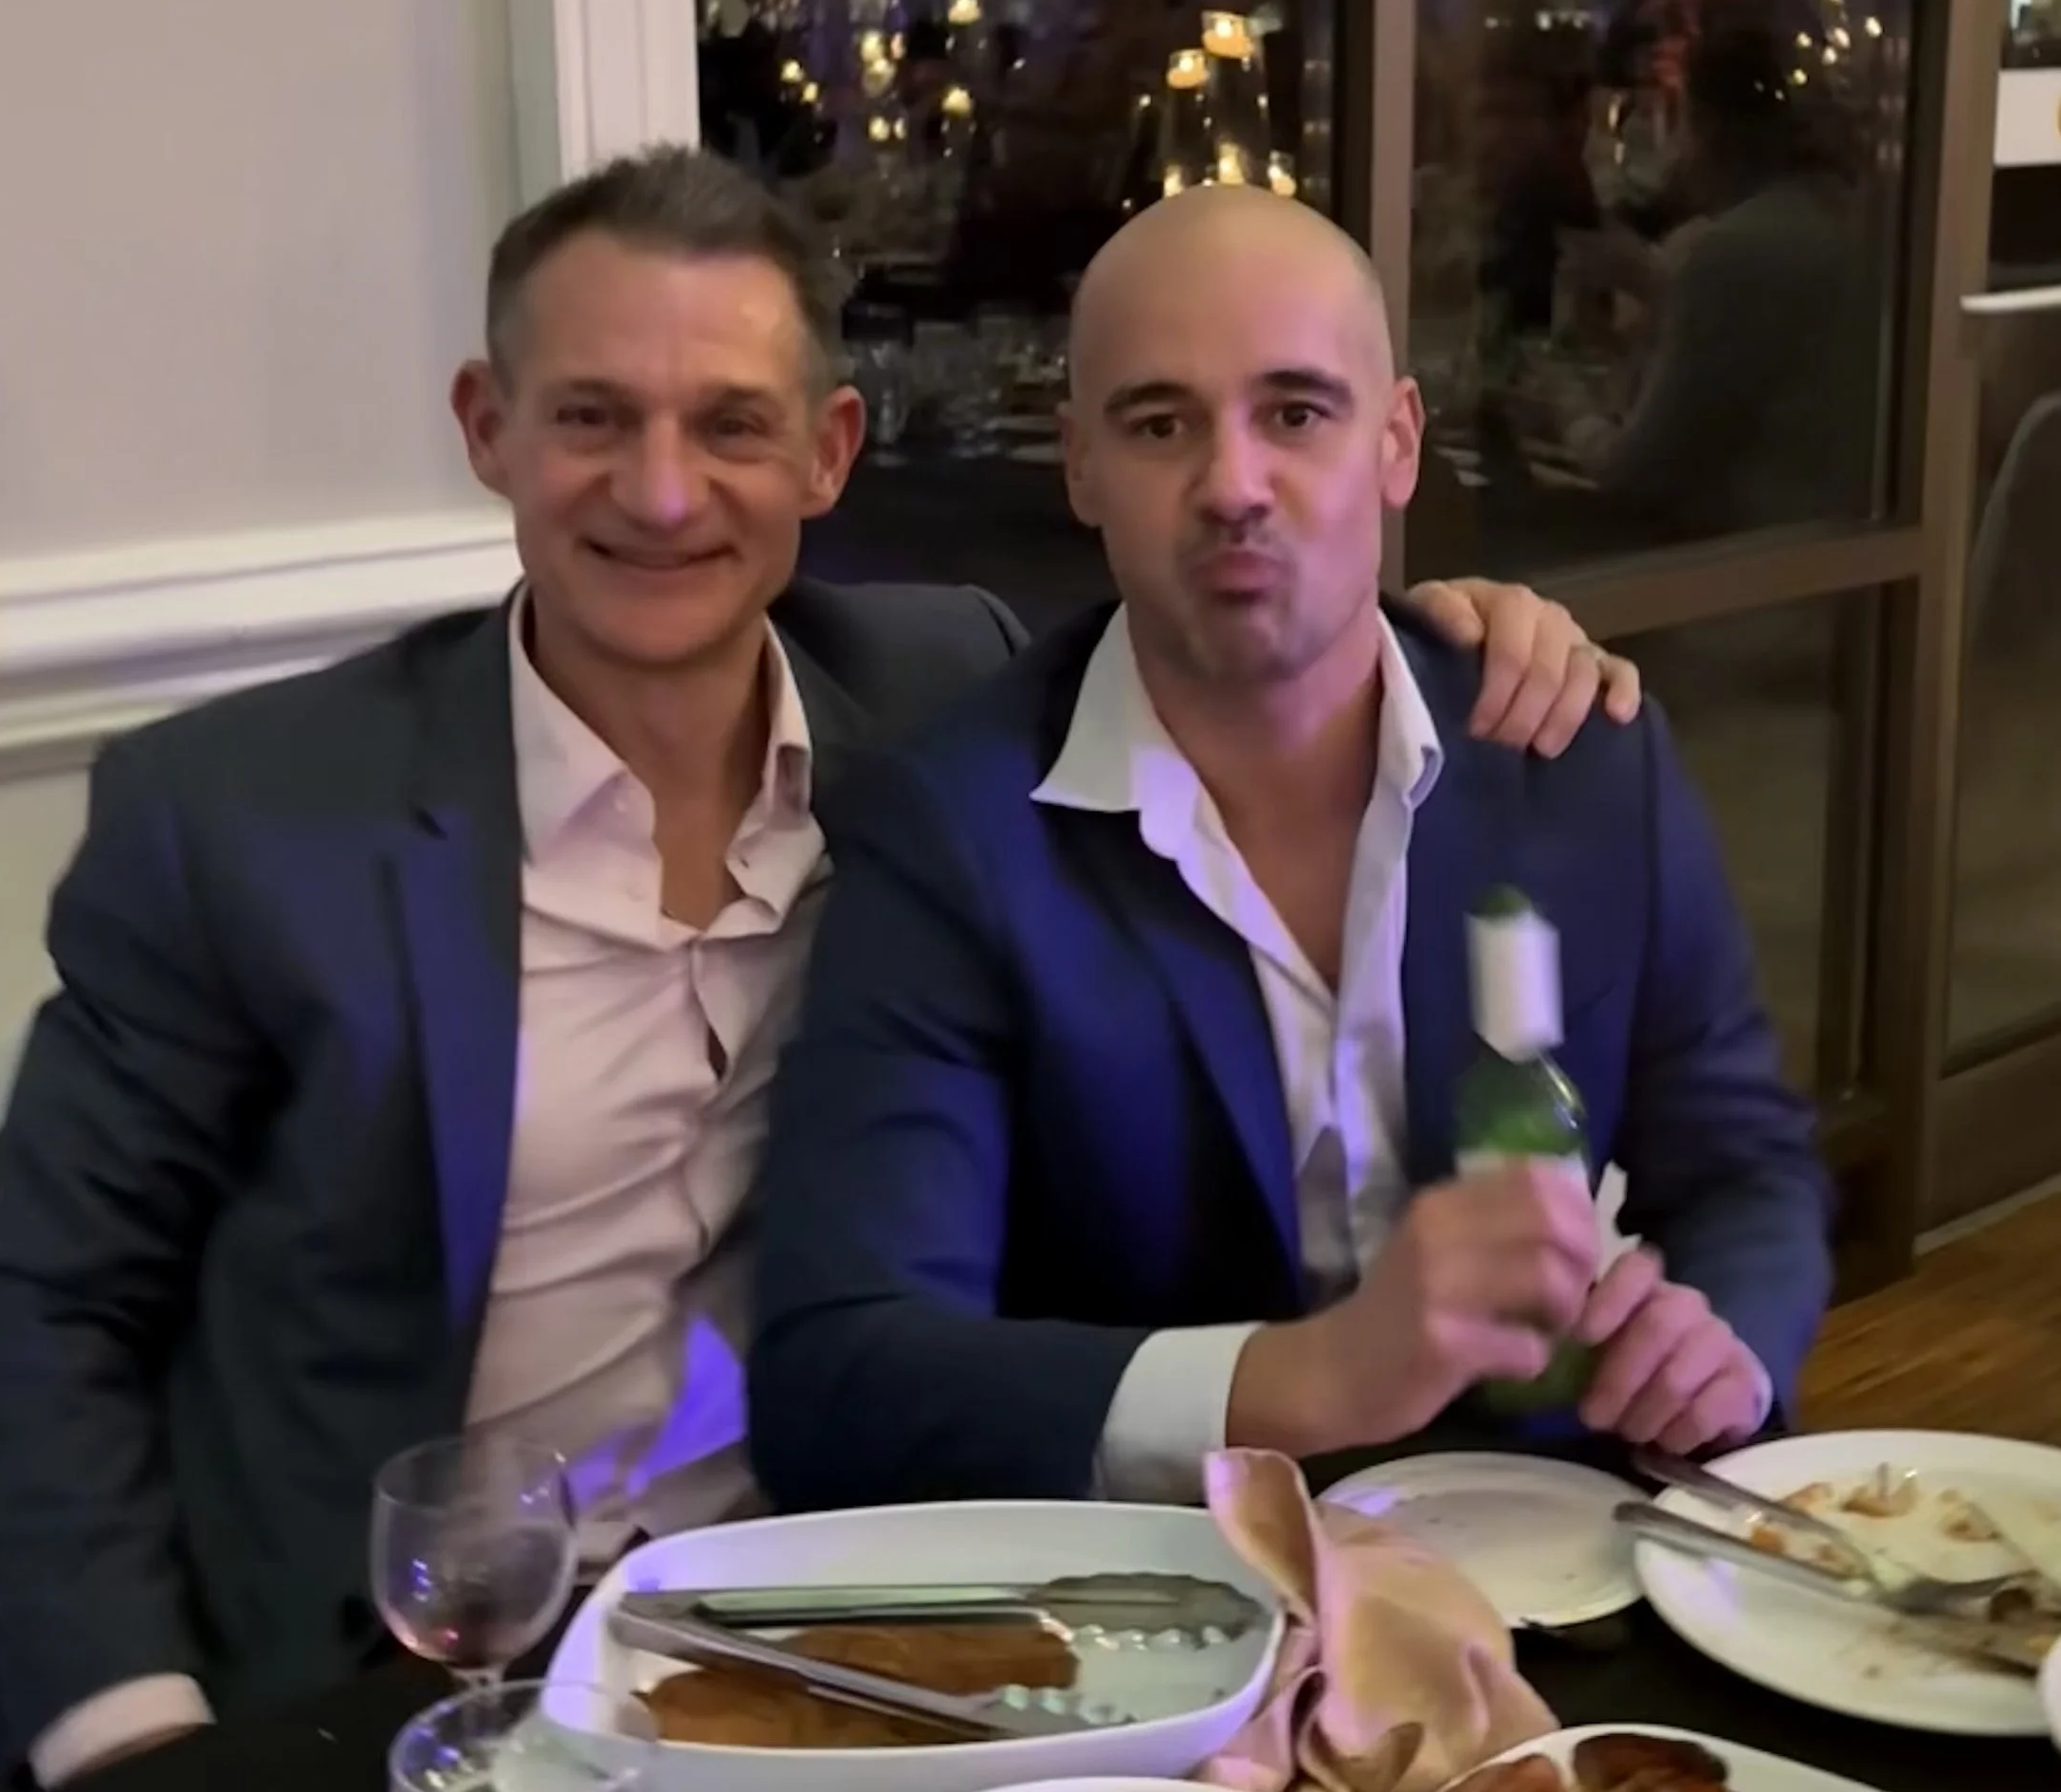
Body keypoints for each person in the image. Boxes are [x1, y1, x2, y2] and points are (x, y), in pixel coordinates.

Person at [0, 146, 1635, 1791]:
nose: (664, 492)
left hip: (865, 1632)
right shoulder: (249, 818)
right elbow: (46, 1301)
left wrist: (1464, 631)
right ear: (488, 428)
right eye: (591, 417)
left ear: (828, 452)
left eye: (730, 424)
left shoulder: (947, 698)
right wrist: (135, 1749)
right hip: (405, 1677)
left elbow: (1251, 637)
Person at [749, 186, 1831, 1516]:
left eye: (1297, 413)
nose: (1233, 486)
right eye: (1161, 424)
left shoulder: (1573, 752)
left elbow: (1745, 1169)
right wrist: (1307, 1378)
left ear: (1398, 443)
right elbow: (842, 1381)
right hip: (1170, 1590)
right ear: (1078, 464)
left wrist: (1726, 1345)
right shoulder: (952, 831)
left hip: (1558, 1537)